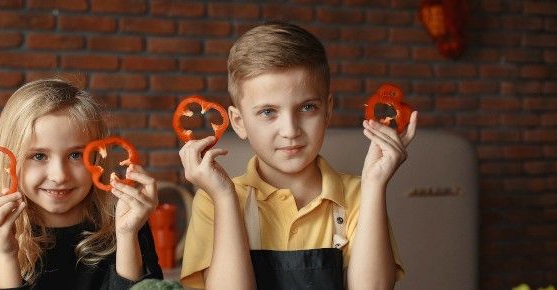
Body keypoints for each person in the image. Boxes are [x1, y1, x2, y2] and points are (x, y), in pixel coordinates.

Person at [179, 21, 418, 289]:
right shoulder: (214, 200)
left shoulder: (358, 196)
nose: (290, 130)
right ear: (239, 121)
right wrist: (225, 200)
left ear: (327, 110)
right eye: (268, 112)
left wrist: (375, 184)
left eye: (307, 107)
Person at [0, 79, 163, 290]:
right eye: (39, 156)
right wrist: (5, 252)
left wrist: (127, 234)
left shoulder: (124, 221)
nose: (59, 176)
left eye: (76, 155)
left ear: (98, 157)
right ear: (8, 161)